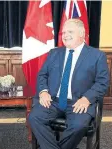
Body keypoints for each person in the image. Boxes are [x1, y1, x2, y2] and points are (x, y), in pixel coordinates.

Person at [28, 18, 109, 149]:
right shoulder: (54, 53)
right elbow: (43, 75)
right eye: (64, 33)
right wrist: (43, 92)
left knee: (79, 125)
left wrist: (87, 98)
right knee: (34, 117)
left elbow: (102, 83)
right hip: (53, 100)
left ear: (82, 34)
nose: (65, 35)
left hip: (79, 101)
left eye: (70, 31)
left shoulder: (97, 56)